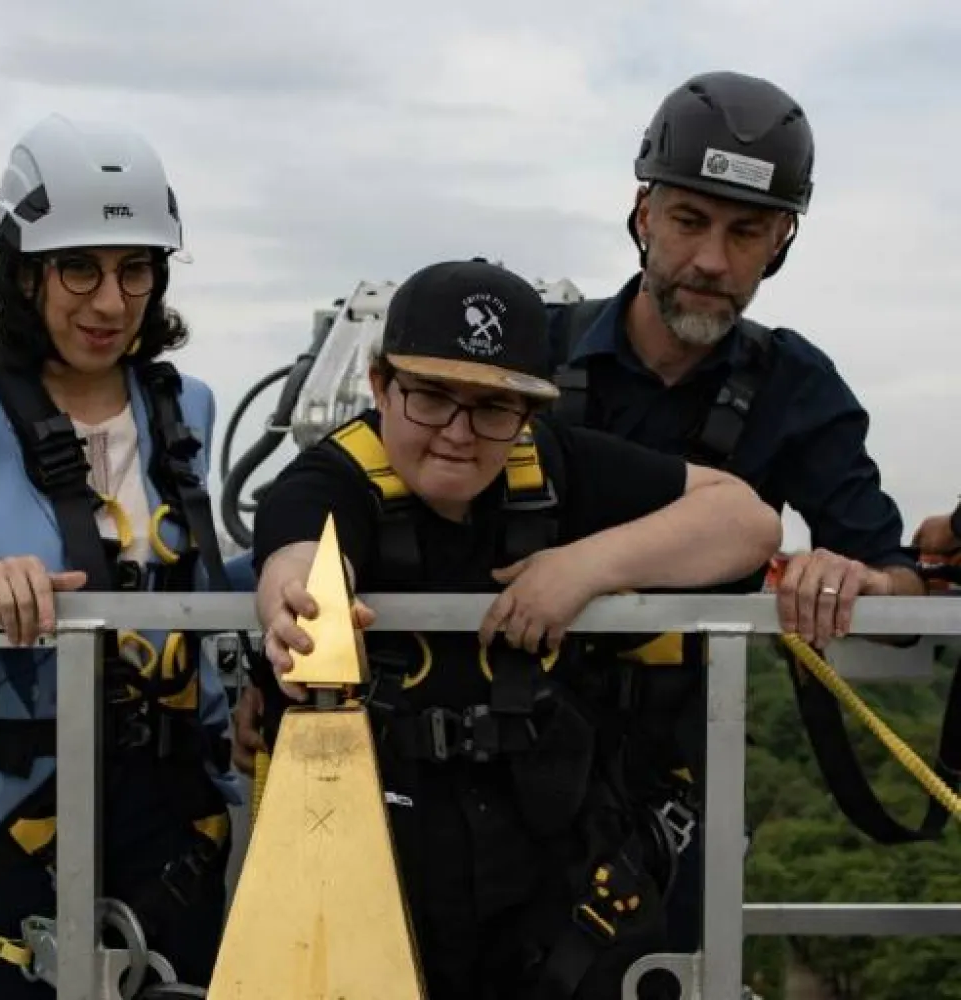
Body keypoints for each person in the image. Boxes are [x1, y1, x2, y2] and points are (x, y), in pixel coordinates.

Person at [250, 258, 782, 998]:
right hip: (387, 874)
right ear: (379, 385)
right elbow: (297, 544)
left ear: (530, 413)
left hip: (546, 885)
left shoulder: (551, 466)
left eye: (494, 408)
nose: (460, 435)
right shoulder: (337, 476)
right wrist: (300, 600)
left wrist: (584, 567)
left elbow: (746, 522)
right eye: (432, 398)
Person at [0, 113, 241, 998]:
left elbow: (194, 582)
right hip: (5, 827)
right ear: (22, 273)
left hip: (172, 819)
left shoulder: (187, 407)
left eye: (134, 269)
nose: (109, 302)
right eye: (78, 268)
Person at [540, 69, 927, 948]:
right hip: (493, 762)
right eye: (689, 221)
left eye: (746, 231)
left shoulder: (795, 388)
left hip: (671, 786)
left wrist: (857, 578)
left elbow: (899, 589)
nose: (713, 261)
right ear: (643, 216)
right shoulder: (537, 349)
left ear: (780, 243)